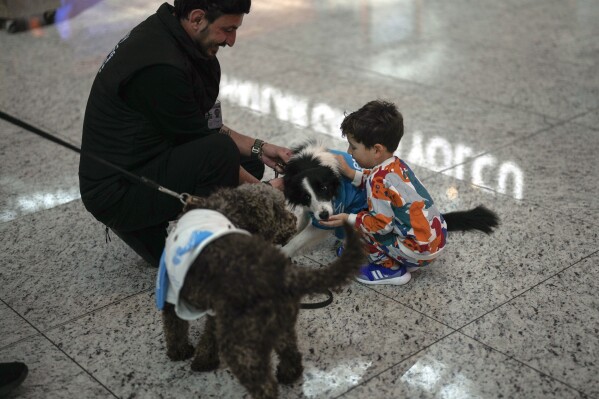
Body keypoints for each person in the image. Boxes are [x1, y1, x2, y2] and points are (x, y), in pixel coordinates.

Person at [78, 0, 292, 267]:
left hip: (145, 160)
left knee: (246, 162)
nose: (232, 40)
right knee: (222, 156)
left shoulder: (174, 36)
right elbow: (207, 144)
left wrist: (261, 148)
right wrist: (263, 194)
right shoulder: (160, 67)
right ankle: (196, 239)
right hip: (118, 191)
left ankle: (164, 223)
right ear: (197, 18)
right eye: (227, 29)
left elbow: (200, 125)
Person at [319, 100, 447, 285]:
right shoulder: (396, 165)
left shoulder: (376, 179)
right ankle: (404, 256)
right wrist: (352, 173)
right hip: (435, 241)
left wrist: (349, 218)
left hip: (419, 251)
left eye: (353, 147)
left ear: (377, 150)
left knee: (362, 224)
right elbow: (379, 184)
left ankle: (389, 269)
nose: (349, 152)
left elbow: (380, 226)